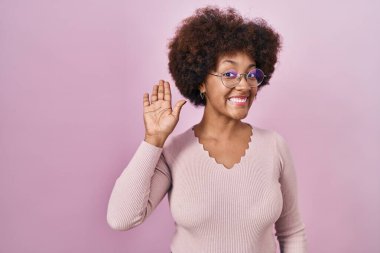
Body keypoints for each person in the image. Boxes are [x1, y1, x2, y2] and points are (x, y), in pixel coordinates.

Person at [107, 6, 308, 253]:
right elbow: (121, 218)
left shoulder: (274, 146)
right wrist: (154, 139)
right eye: (230, 73)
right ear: (202, 81)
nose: (244, 85)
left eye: (251, 74)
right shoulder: (173, 152)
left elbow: (292, 233)